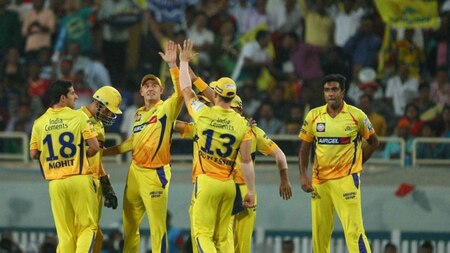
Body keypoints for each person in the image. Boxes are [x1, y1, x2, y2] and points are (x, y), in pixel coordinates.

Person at [102, 41, 184, 253]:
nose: (150, 88)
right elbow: (133, 142)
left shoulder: (166, 108)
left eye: (154, 85)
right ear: (140, 91)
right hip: (135, 172)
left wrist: (172, 65)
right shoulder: (138, 114)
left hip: (155, 173)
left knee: (158, 229)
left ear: (161, 90)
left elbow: (182, 93)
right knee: (130, 227)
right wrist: (105, 153)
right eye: (146, 85)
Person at [178, 39, 256, 253]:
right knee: (223, 237)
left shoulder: (203, 113)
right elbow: (246, 161)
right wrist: (250, 191)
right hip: (229, 185)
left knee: (202, 233)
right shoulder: (243, 123)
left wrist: (183, 62)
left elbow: (185, 89)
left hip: (206, 181)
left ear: (216, 94)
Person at [298, 74, 379, 253]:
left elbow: (374, 142)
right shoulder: (313, 115)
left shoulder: (357, 115)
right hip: (320, 182)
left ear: (342, 92)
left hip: (347, 180)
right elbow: (304, 149)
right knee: (320, 233)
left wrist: (357, 163)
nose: (330, 94)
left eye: (334, 89)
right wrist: (304, 176)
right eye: (327, 90)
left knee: (354, 230)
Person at [29, 80, 100, 252]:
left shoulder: (39, 122)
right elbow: (95, 147)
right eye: (72, 93)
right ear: (62, 98)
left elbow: (33, 154)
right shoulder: (78, 116)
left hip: (55, 184)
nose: (76, 97)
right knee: (87, 228)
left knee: (65, 234)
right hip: (78, 178)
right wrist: (82, 155)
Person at [229, 95, 292, 253]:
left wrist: (284, 179)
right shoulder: (244, 131)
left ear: (241, 111)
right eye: (227, 109)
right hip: (229, 189)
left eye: (233, 109)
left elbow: (280, 155)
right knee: (226, 242)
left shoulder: (254, 132)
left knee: (239, 245)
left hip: (242, 190)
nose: (230, 113)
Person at [79, 85, 123, 253]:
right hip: (82, 181)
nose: (111, 115)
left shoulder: (99, 125)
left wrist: (107, 186)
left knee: (95, 235)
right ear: (98, 104)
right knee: (85, 233)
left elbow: (96, 160)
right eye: (109, 111)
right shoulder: (78, 118)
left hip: (95, 183)